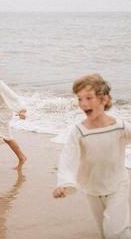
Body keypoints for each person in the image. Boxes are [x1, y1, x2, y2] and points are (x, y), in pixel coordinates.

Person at [53, 73, 131, 239]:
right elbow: (68, 158)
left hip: (119, 184)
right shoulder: (80, 131)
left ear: (105, 100)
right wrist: (64, 183)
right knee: (104, 231)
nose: (83, 104)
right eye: (80, 99)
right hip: (93, 188)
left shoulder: (119, 127)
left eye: (89, 98)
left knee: (115, 231)